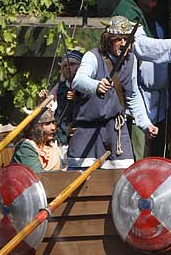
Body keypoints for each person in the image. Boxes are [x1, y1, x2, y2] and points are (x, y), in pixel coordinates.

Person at [111, 0, 171, 159]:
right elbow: (139, 46)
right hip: (138, 91)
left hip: (163, 93)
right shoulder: (127, 9)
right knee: (138, 149)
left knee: (161, 149)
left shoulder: (163, 7)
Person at [66, 16, 155, 170]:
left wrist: (145, 123)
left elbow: (132, 95)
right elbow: (78, 80)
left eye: (126, 39)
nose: (123, 43)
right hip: (87, 132)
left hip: (115, 131)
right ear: (109, 40)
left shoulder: (131, 60)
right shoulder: (93, 56)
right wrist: (96, 85)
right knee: (81, 181)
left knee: (123, 177)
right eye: (118, 39)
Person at [11, 109, 64, 173]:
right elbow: (37, 175)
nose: (53, 128)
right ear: (36, 127)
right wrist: (61, 172)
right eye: (47, 124)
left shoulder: (52, 149)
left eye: (53, 123)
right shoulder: (25, 147)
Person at [53, 48, 83, 147]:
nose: (68, 68)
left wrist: (77, 99)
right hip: (62, 138)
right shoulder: (60, 87)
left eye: (72, 64)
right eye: (65, 66)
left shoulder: (87, 87)